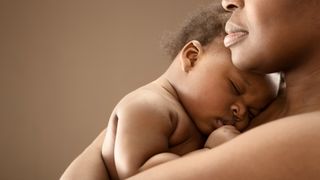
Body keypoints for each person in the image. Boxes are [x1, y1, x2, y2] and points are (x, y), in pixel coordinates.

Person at [62, 0, 320, 179]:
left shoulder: (310, 134)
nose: (227, 2)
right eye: (234, 86)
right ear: (192, 56)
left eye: (251, 111)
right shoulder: (163, 109)